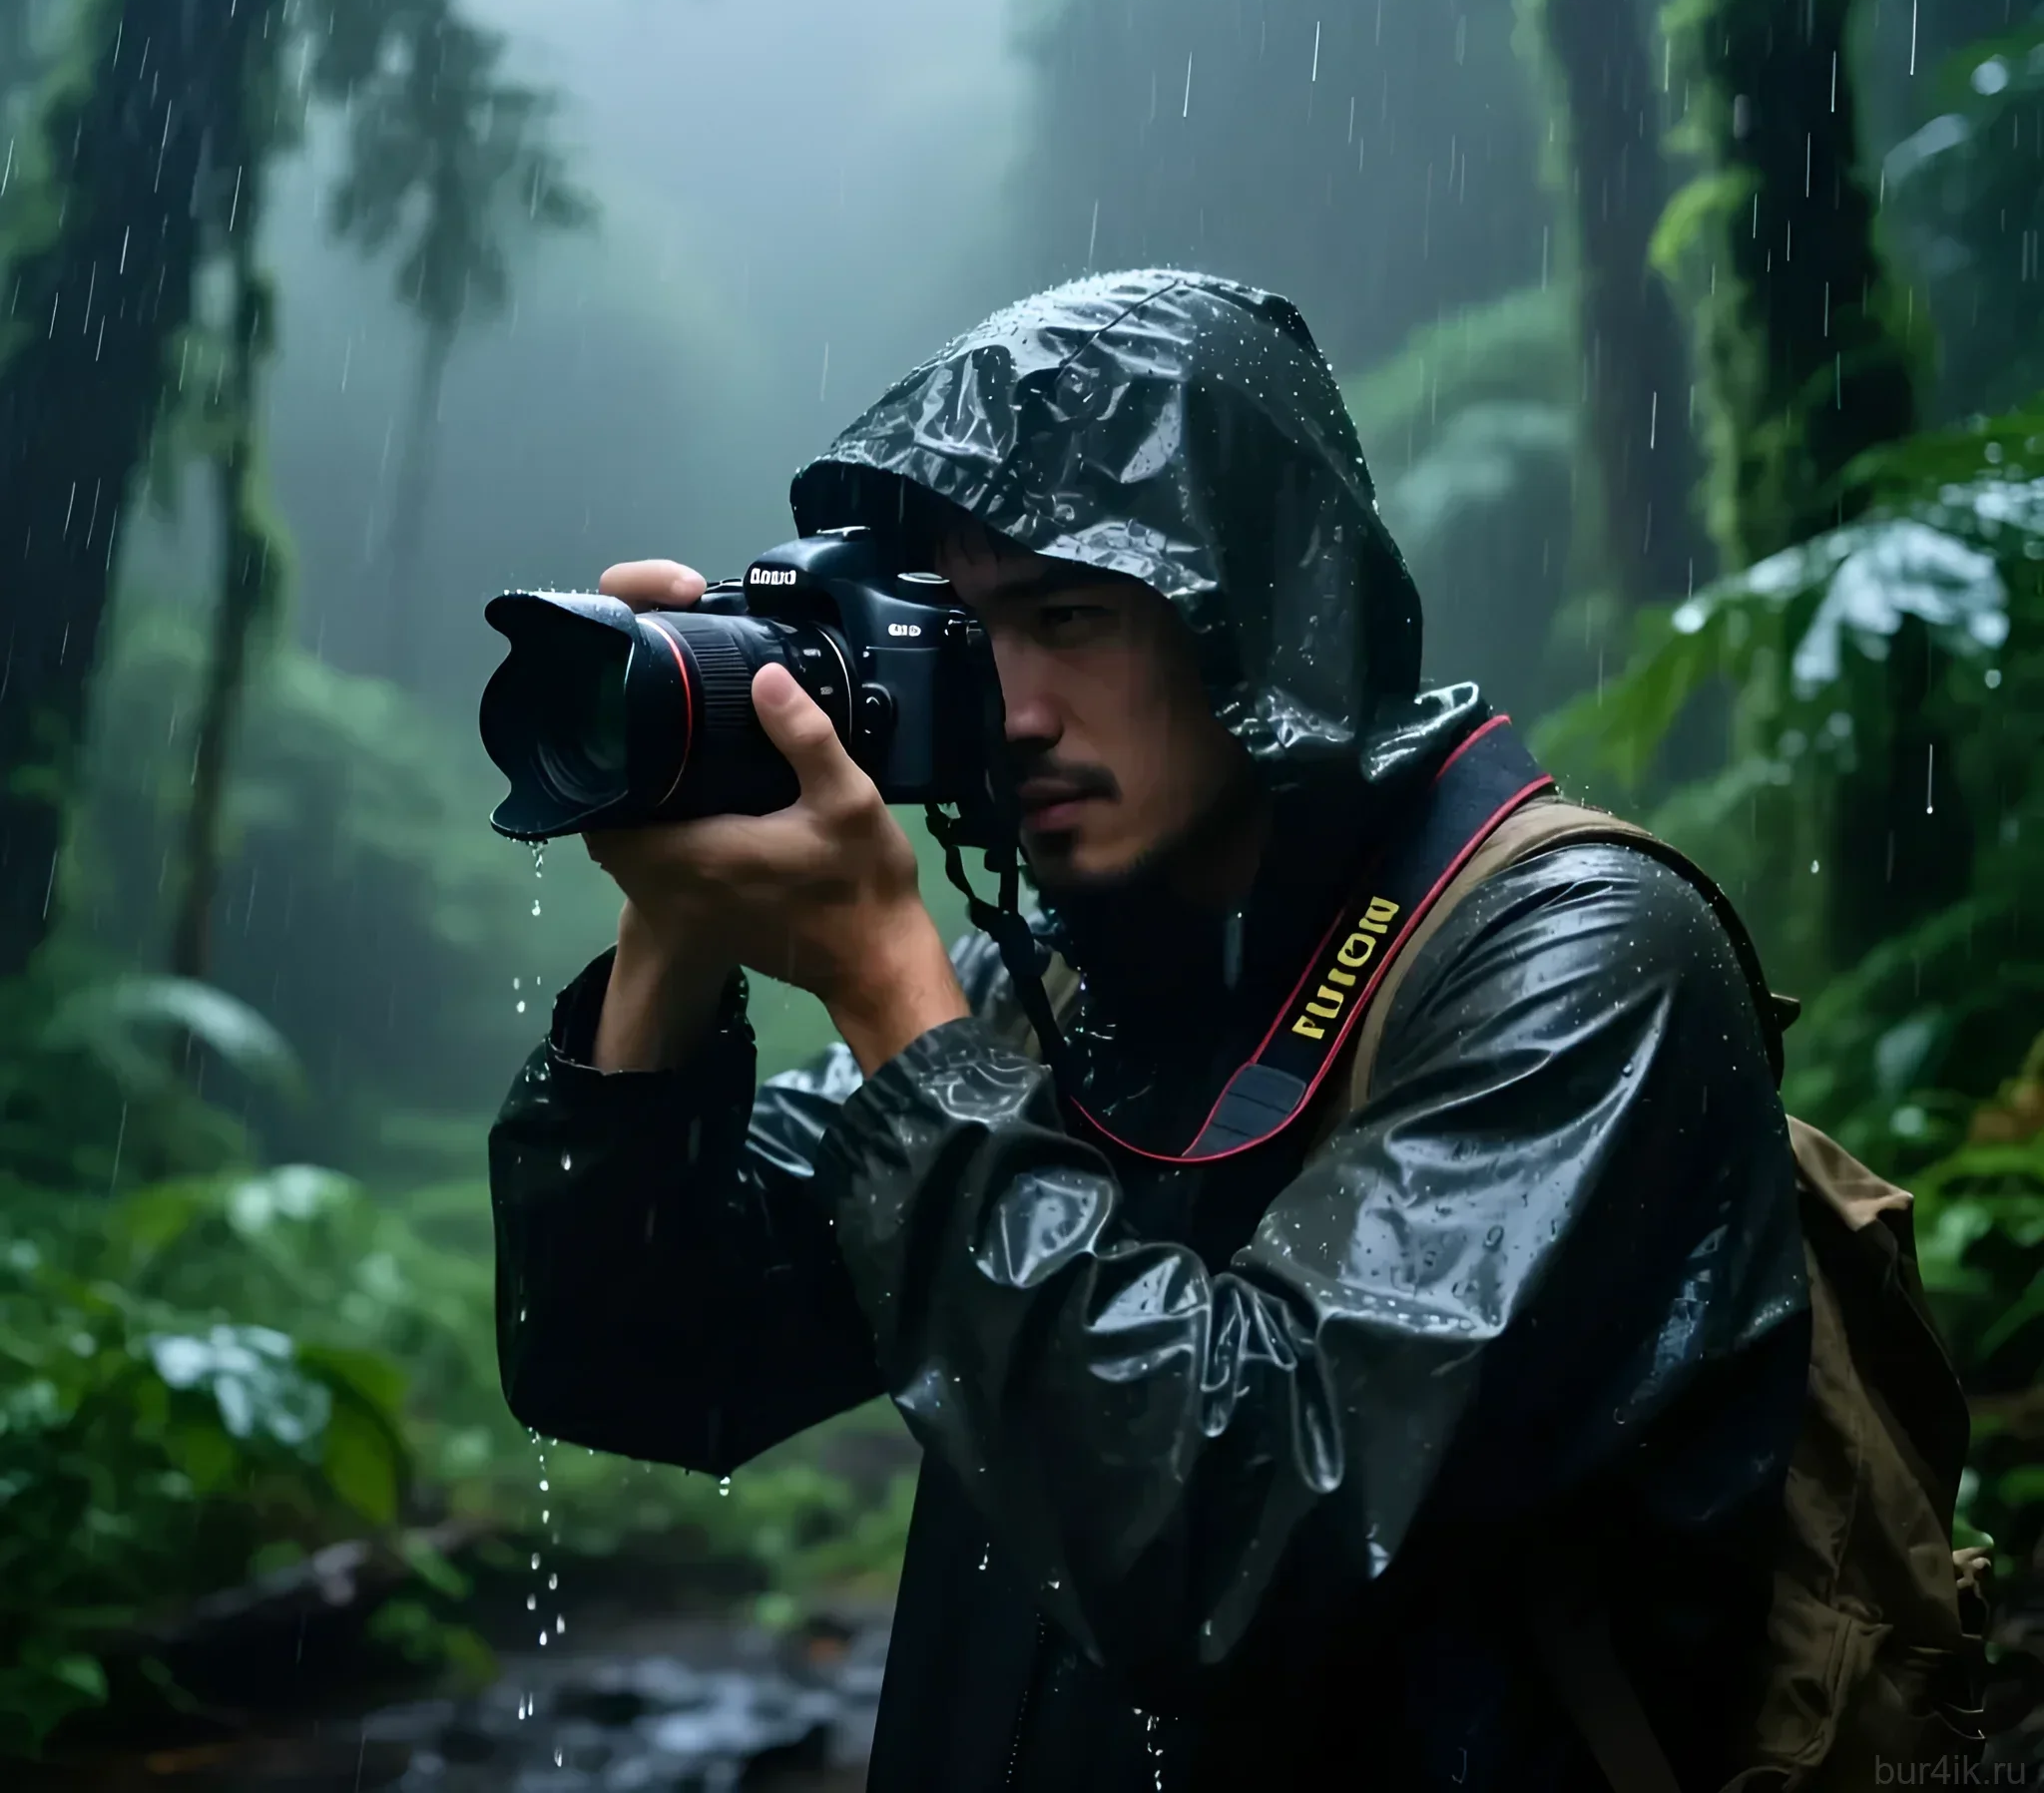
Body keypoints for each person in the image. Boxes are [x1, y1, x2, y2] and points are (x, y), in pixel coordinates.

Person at [490, 270, 1810, 1791]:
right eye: (972, 634)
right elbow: (625, 1352)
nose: (1019, 709)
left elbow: (1235, 1542)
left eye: (1069, 615)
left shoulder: (1571, 957)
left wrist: (886, 999)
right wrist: (683, 914)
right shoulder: (1043, 994)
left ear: (1259, 606)